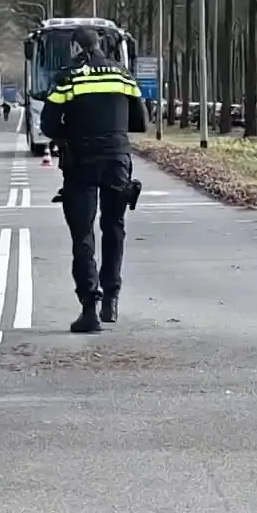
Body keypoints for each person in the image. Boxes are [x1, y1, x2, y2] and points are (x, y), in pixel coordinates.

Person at [38, 27, 147, 334]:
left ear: (75, 47)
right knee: (114, 227)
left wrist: (69, 135)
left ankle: (89, 306)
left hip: (81, 161)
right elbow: (140, 121)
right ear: (100, 44)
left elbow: (47, 124)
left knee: (83, 233)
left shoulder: (68, 76)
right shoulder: (122, 75)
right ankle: (111, 298)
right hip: (117, 158)